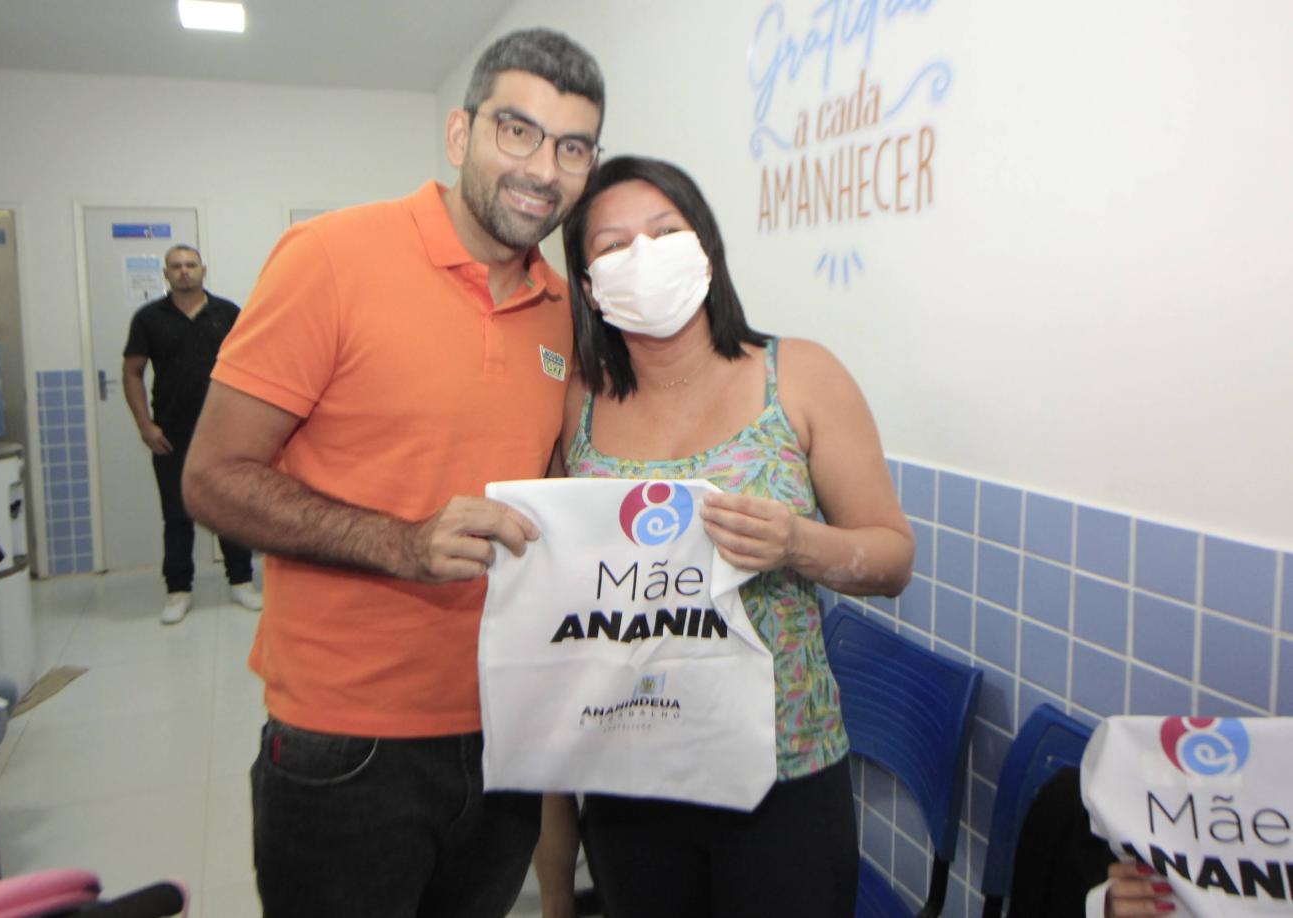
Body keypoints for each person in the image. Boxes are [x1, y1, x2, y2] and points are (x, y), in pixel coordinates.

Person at [180, 28, 605, 918]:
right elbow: (213, 477)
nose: (543, 169)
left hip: (507, 726)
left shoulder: (563, 309)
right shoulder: (330, 258)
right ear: (459, 134)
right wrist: (402, 544)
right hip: (347, 739)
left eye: (572, 147)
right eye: (517, 131)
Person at [535, 155, 916, 918]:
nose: (643, 257)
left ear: (705, 248)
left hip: (784, 766)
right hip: (629, 769)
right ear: (588, 285)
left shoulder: (800, 376)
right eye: (613, 246)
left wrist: (798, 544)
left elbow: (891, 558)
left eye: (664, 231)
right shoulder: (576, 402)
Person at [122, 244, 261, 625]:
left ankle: (241, 580)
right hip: (171, 434)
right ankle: (178, 590)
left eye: (190, 265)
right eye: (176, 266)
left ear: (203, 270)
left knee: (230, 508)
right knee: (177, 513)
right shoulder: (149, 318)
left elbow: (251, 365)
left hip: (225, 431)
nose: (184, 271)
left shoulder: (227, 313)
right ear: (165, 274)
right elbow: (132, 372)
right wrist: (145, 425)